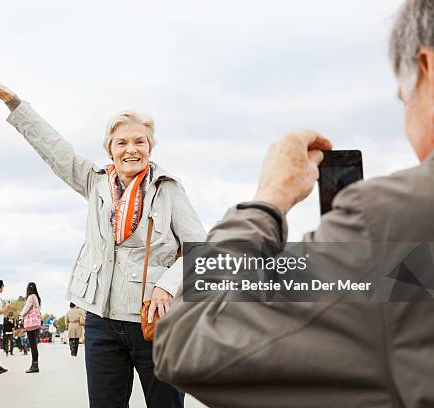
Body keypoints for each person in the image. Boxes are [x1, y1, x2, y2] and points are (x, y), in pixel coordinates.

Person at [153, 1, 434, 406]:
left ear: (426, 68)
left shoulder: (391, 223)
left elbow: (187, 339)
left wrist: (266, 203)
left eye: (404, 97)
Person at [0, 67, 206, 408]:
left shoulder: (168, 190)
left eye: (140, 141)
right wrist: (11, 100)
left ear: (150, 147)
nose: (131, 149)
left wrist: (168, 285)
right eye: (121, 142)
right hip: (101, 322)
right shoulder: (95, 183)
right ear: (110, 149)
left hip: (154, 323)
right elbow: (54, 148)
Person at [20, 282, 42, 373]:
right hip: (36, 323)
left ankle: (34, 366)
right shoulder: (37, 297)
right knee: (34, 345)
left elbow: (26, 308)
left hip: (30, 324)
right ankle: (35, 364)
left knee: (32, 345)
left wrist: (20, 315)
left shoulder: (30, 297)